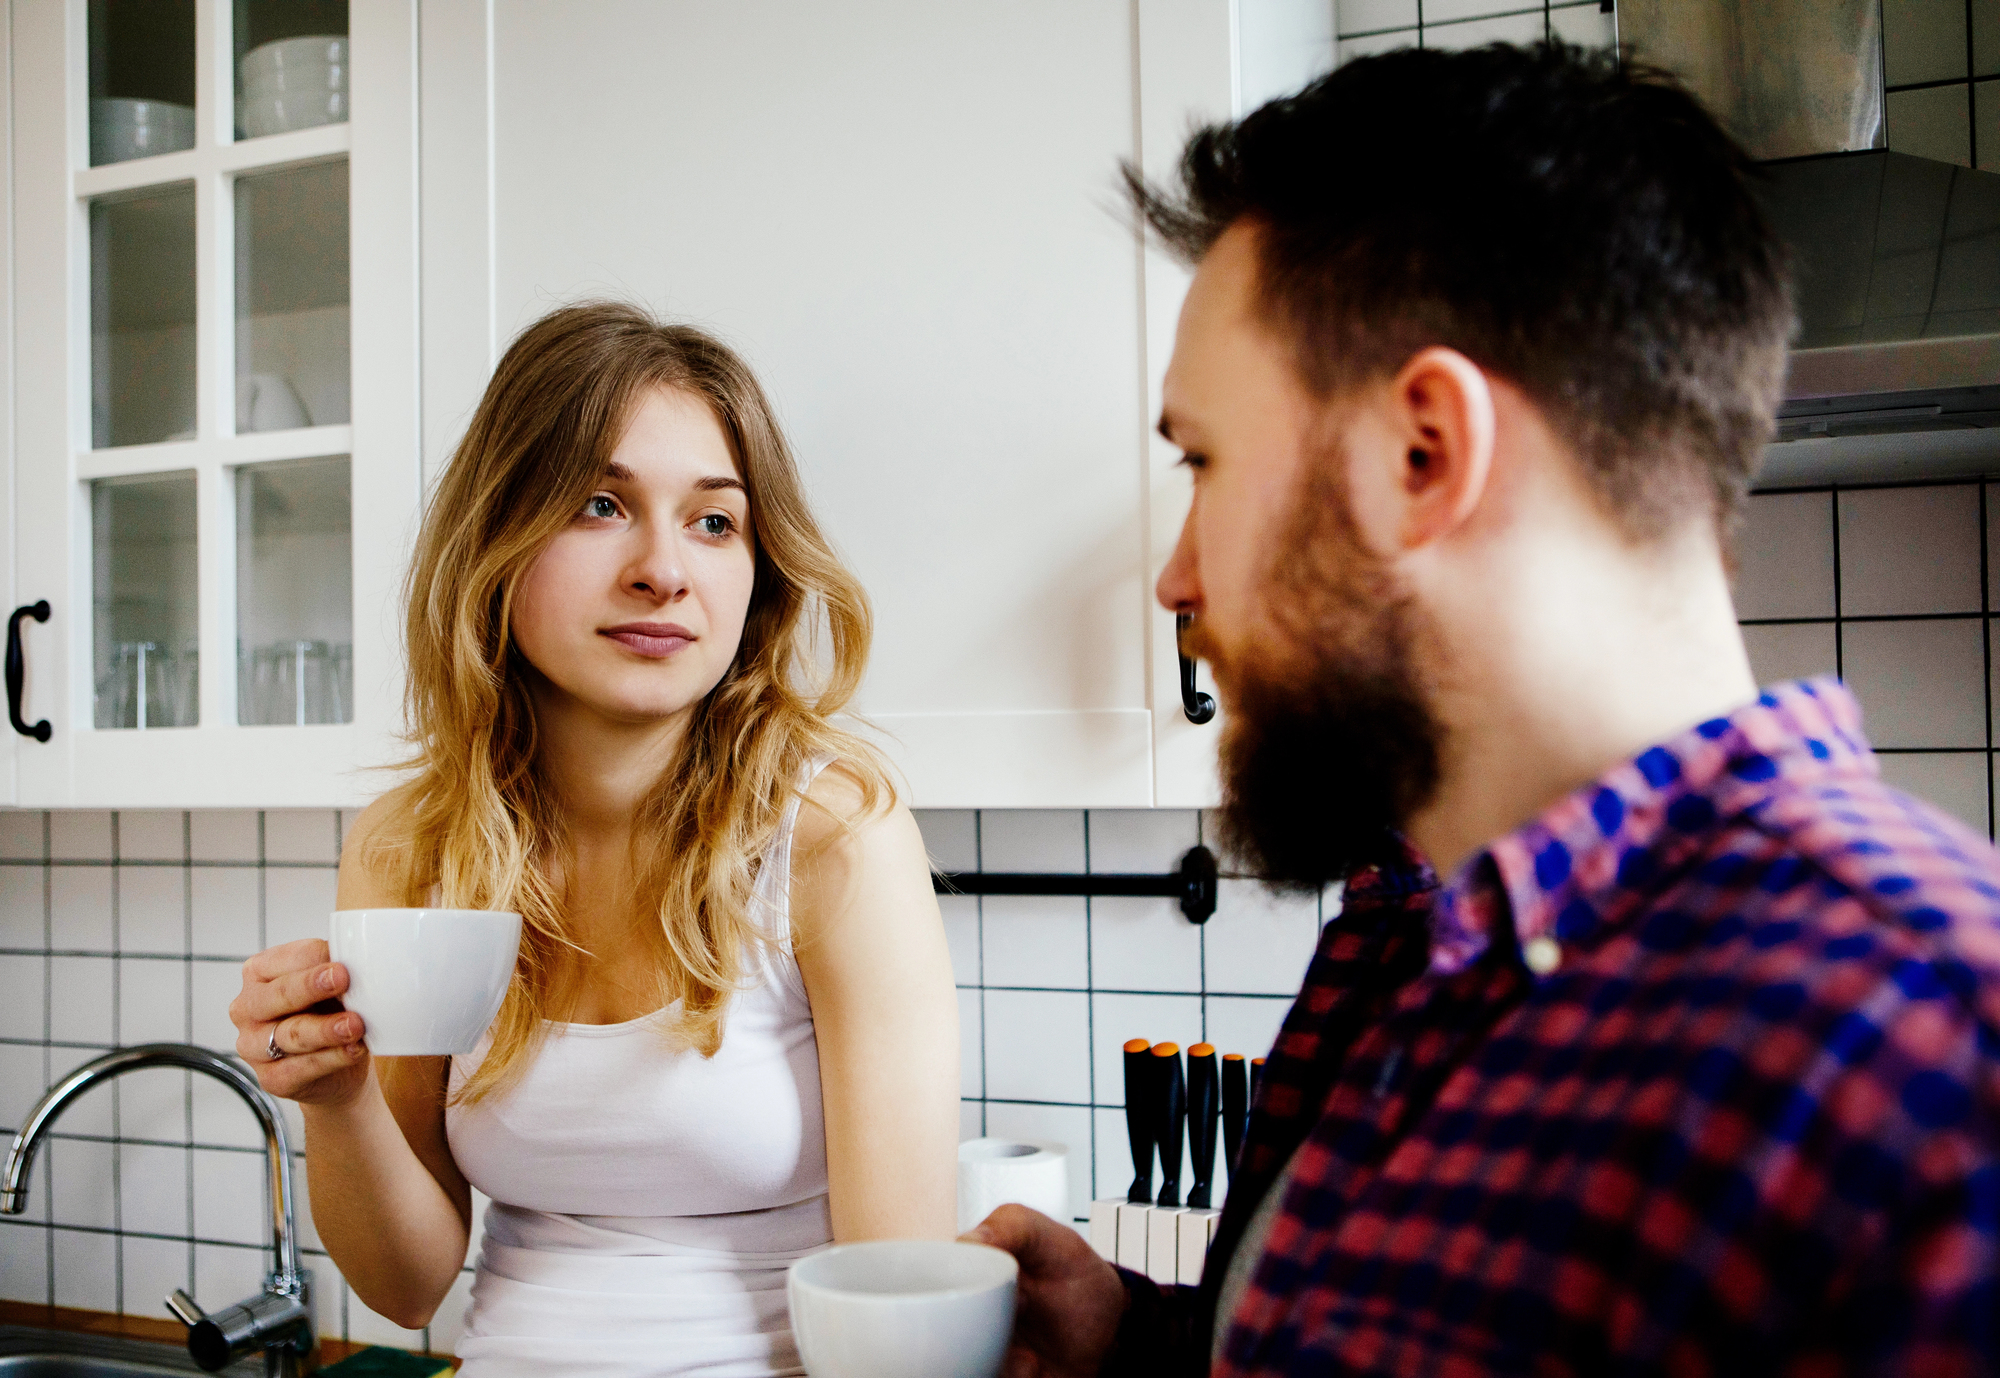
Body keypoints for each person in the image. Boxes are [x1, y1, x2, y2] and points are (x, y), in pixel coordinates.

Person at [967, 42, 2000, 1376]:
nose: (1175, 578)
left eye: (1207, 463)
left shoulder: (1928, 1070)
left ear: (1425, 454)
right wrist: (1144, 1342)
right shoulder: (1409, 933)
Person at [226, 303, 959, 1377]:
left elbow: (899, 1309)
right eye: (601, 505)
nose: (664, 569)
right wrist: (336, 1104)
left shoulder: (833, 835)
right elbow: (406, 1283)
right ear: (497, 539)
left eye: (714, 521)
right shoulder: (411, 847)